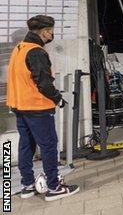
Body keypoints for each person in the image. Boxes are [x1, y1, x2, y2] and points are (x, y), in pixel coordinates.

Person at [7, 15, 80, 201]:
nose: (52, 35)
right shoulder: (37, 52)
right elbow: (44, 84)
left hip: (20, 106)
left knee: (26, 146)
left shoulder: (19, 48)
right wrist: (58, 99)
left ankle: (27, 186)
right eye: (52, 32)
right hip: (37, 108)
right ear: (46, 32)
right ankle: (54, 187)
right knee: (48, 146)